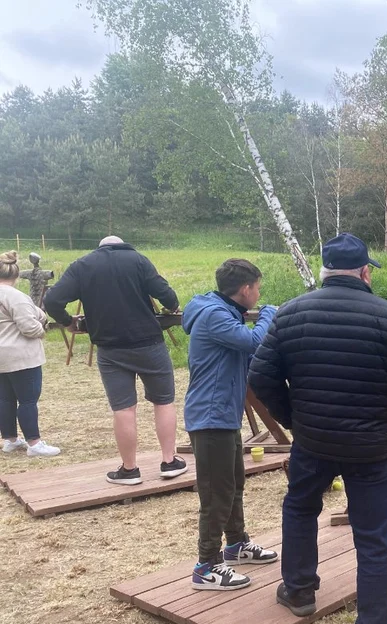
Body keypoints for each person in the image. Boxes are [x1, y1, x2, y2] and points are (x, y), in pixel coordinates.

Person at [249, 232, 387, 624]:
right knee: (371, 537)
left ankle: (298, 591)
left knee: (299, 509)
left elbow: (260, 377)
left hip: (313, 443)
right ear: (365, 271)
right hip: (373, 446)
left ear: (323, 271)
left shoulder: (289, 314)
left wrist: (294, 418)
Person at [43, 236, 187, 484]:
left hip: (110, 349)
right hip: (149, 343)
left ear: (100, 248)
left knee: (124, 409)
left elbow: (52, 300)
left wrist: (68, 322)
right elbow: (167, 295)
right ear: (122, 245)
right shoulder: (138, 260)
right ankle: (169, 461)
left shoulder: (83, 265)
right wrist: (171, 306)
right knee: (163, 402)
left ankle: (130, 470)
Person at [182, 259, 279, 591]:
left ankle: (237, 544)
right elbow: (253, 342)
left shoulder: (223, 312)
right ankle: (206, 566)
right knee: (216, 495)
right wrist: (269, 315)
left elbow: (247, 357)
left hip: (223, 416)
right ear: (245, 290)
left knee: (234, 484)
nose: (259, 294)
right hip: (210, 420)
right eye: (258, 289)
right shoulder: (214, 315)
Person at [0, 251, 60, 458]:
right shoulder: (15, 296)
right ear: (16, 275)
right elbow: (28, 326)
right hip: (20, 356)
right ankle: (34, 443)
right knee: (27, 400)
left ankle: (10, 439)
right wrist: (42, 329)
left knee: (5, 399)